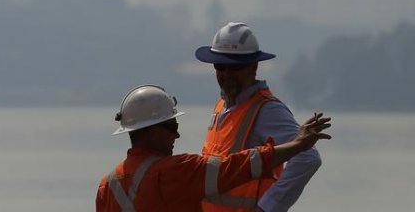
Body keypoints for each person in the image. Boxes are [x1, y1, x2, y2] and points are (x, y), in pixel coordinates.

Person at [96, 84, 331, 212]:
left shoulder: (107, 186)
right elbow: (237, 166)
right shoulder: (176, 171)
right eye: (172, 125)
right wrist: (298, 144)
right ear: (151, 131)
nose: (177, 134)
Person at [195, 22, 323, 212]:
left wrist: (268, 207)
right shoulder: (222, 106)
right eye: (221, 66)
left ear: (253, 66)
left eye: (235, 66)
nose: (227, 74)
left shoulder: (266, 110)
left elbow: (308, 157)